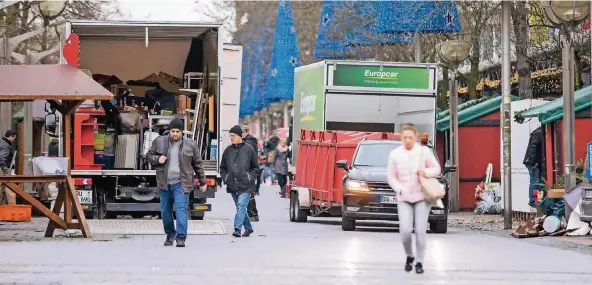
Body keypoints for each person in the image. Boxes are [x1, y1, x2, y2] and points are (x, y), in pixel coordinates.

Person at [386, 123, 440, 274]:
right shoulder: (395, 154)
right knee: (405, 230)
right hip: (404, 197)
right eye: (405, 138)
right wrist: (399, 188)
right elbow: (391, 176)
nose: (408, 140)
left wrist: (425, 172)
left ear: (415, 137)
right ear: (401, 138)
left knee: (421, 231)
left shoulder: (424, 152)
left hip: (422, 196)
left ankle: (420, 262)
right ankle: (410, 255)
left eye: (410, 137)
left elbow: (437, 169)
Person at [146, 119, 207, 248]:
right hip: (164, 183)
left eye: (177, 132)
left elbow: (198, 164)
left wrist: (202, 181)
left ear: (182, 132)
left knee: (181, 210)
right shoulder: (160, 141)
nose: (174, 134)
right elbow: (149, 156)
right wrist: (158, 159)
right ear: (169, 130)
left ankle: (181, 238)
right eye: (172, 131)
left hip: (181, 184)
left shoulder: (191, 145)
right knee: (165, 212)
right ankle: (170, 234)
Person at [220, 125, 260, 237]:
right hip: (232, 184)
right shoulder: (228, 150)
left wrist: (249, 178)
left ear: (239, 136)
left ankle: (237, 229)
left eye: (233, 136)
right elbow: (222, 167)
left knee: (242, 205)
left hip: (246, 184)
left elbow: (256, 168)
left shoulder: (249, 149)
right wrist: (226, 178)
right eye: (230, 136)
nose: (231, 138)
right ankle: (248, 228)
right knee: (240, 208)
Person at [241, 125, 260, 222]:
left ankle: (252, 214)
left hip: (248, 171)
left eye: (242, 133)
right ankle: (252, 213)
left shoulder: (248, 142)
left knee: (249, 192)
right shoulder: (250, 141)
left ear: (245, 132)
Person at [0, 130, 17, 205]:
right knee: (11, 191)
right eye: (14, 138)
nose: (14, 140)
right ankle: (12, 210)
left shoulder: (1, 142)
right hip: (3, 169)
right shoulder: (6, 145)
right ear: (11, 136)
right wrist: (7, 172)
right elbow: (2, 159)